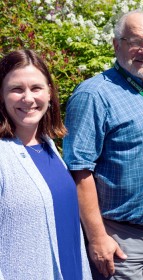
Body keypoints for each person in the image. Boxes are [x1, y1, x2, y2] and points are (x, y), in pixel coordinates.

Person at [62, 10, 143, 279]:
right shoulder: (93, 95)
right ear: (117, 45)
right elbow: (79, 171)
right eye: (135, 42)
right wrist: (97, 238)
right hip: (119, 238)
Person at [0, 49, 92, 279]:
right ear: (1, 95)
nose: (28, 98)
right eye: (16, 89)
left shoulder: (48, 145)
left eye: (36, 88)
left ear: (49, 93)